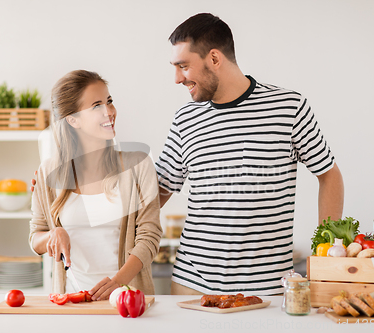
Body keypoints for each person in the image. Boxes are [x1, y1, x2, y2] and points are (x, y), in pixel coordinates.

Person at [156, 13, 344, 296]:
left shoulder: (288, 107)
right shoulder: (185, 118)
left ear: (215, 59)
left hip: (267, 291)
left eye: (183, 66)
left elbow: (329, 175)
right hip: (191, 288)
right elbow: (158, 190)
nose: (176, 78)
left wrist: (325, 250)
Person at [29, 70, 162, 300]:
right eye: (97, 106)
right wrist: (53, 234)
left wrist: (117, 283)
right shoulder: (48, 172)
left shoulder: (138, 165)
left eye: (109, 102)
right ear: (73, 120)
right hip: (72, 302)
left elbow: (149, 237)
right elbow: (35, 237)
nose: (109, 111)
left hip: (127, 299)